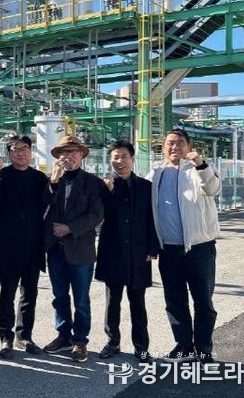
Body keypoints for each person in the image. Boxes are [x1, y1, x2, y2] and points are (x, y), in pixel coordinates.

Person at [149, 129, 221, 364]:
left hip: (199, 248)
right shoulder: (156, 172)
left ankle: (204, 349)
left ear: (188, 146)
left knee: (203, 303)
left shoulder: (198, 169)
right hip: (168, 250)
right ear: (163, 147)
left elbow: (213, 189)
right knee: (175, 302)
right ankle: (184, 346)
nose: (175, 147)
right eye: (170, 143)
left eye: (180, 142)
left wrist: (201, 165)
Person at [95, 140, 159, 364]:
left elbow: (152, 218)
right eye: (115, 157)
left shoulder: (145, 186)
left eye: (124, 156)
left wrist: (152, 247)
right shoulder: (105, 186)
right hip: (113, 252)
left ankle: (141, 347)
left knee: (138, 303)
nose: (119, 161)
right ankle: (112, 341)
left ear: (132, 159)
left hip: (138, 252)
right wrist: (108, 193)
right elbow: (100, 215)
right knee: (112, 302)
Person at [42, 135, 105, 363]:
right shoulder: (52, 181)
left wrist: (70, 228)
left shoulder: (93, 182)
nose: (68, 156)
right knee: (59, 296)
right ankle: (63, 335)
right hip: (55, 249)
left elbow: (97, 214)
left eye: (73, 152)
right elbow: (42, 206)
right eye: (63, 153)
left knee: (81, 299)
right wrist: (53, 183)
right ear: (58, 157)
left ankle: (80, 340)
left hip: (80, 249)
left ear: (81, 155)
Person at [0, 134, 48, 359]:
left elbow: (48, 204)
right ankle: (6, 336)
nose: (20, 153)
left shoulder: (39, 178)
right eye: (15, 149)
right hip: (8, 244)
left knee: (29, 293)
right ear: (9, 153)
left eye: (24, 148)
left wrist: (55, 182)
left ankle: (25, 335)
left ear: (31, 152)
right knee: (7, 293)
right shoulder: (1, 176)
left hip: (33, 244)